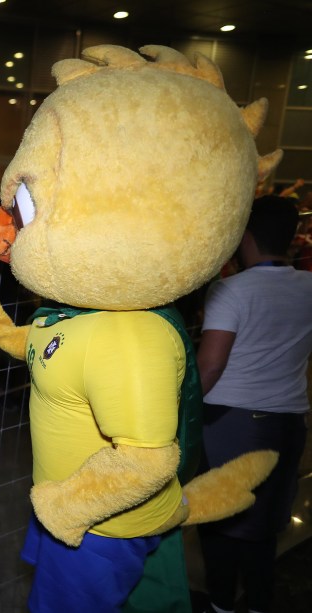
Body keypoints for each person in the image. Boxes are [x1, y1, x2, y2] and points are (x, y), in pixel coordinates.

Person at [196, 195, 312, 613]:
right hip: (289, 421)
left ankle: (222, 604)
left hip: (232, 422)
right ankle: (261, 603)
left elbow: (209, 366)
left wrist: (182, 411)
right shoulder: (309, 286)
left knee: (221, 518)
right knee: (264, 527)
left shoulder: (231, 290)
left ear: (245, 237)